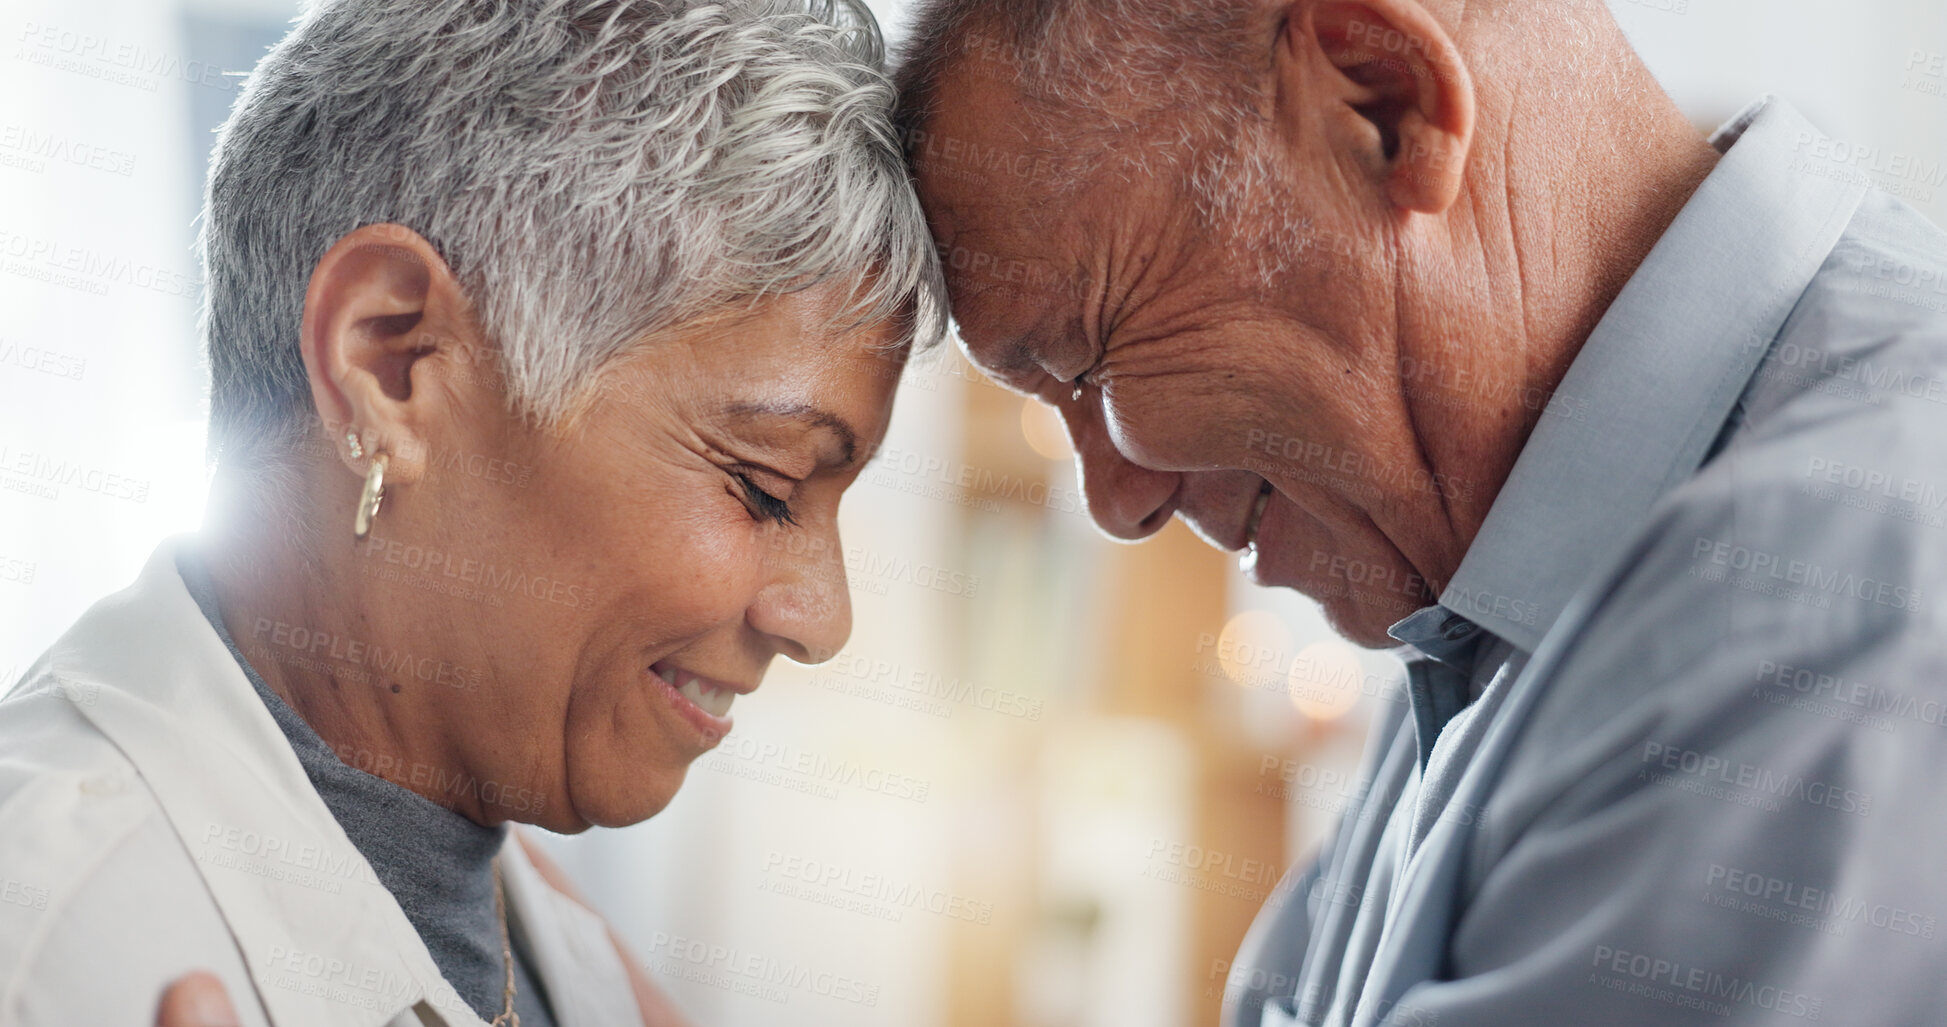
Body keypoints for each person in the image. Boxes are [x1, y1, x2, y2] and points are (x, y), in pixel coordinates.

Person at [894, 0, 1947, 1023]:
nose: (1117, 502)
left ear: (1384, 104)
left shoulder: (1832, 580)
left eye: (1088, 357)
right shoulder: (1495, 611)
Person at [0, 0, 942, 1024]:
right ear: (392, 362)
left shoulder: (511, 898)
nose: (823, 617)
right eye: (762, 486)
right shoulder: (56, 942)